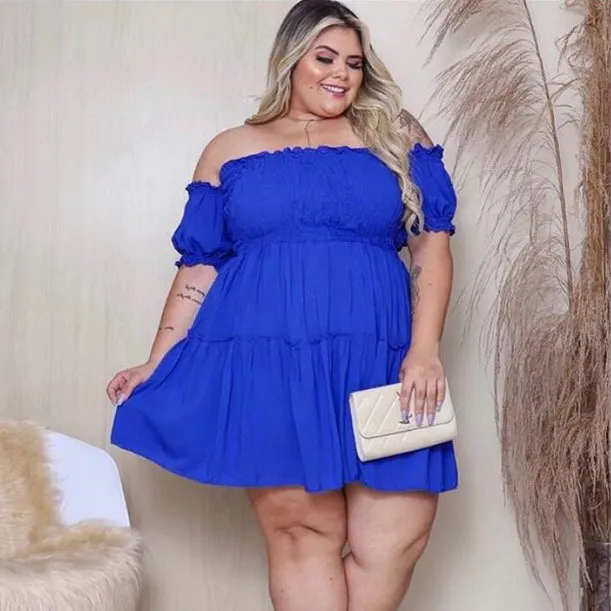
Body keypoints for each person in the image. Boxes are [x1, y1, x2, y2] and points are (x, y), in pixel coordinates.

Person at [107, 1, 458, 609]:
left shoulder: (395, 132)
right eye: (325, 58)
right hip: (270, 363)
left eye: (354, 62)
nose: (341, 73)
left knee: (397, 538)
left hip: (383, 356)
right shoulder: (229, 149)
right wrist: (156, 361)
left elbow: (432, 243)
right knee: (304, 536)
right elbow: (199, 267)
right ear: (291, 60)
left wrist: (425, 349)